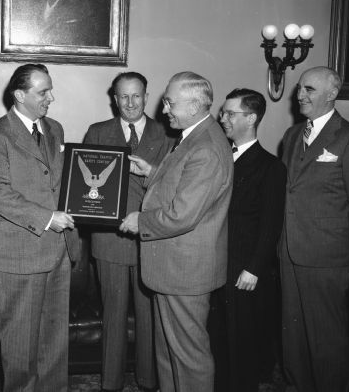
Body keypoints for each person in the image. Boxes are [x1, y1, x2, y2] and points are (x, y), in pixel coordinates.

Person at [120, 71, 233, 392]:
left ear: (195, 106)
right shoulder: (195, 136)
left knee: (188, 357)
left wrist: (141, 221)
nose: (164, 108)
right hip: (174, 269)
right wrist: (152, 171)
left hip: (185, 272)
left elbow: (183, 214)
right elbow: (183, 185)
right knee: (169, 354)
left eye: (170, 102)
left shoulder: (207, 146)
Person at [0, 64, 80, 392]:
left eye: (50, 89)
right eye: (43, 92)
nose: (51, 97)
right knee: (20, 345)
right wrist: (49, 218)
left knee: (54, 342)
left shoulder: (56, 129)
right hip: (18, 255)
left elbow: (63, 183)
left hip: (58, 252)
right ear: (20, 95)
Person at [278, 66, 349, 392]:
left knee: (327, 340)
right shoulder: (293, 135)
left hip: (327, 256)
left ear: (332, 94)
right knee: (293, 338)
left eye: (309, 89)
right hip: (289, 250)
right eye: (299, 89)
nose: (300, 95)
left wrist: (342, 248)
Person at [83, 72, 170, 392]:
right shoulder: (98, 132)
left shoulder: (169, 133)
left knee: (150, 318)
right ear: (114, 98)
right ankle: (110, 382)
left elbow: (174, 186)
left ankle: (148, 381)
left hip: (153, 238)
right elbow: (86, 188)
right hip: (110, 240)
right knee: (113, 317)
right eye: (123, 97)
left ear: (147, 97)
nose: (130, 103)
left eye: (137, 96)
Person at [209, 88, 286, 392]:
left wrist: (254, 268)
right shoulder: (218, 157)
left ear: (251, 118)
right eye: (223, 112)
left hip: (242, 270)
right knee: (217, 340)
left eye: (230, 113)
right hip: (214, 265)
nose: (222, 117)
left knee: (241, 345)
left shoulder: (270, 167)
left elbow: (271, 223)